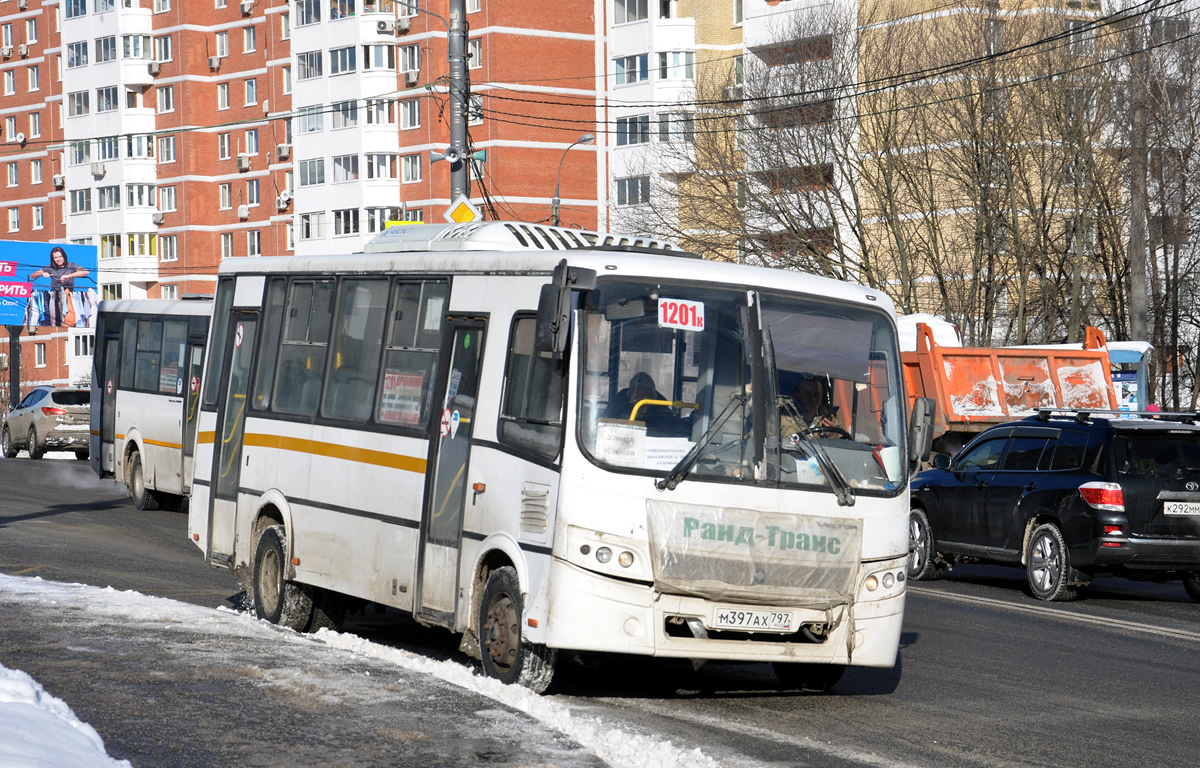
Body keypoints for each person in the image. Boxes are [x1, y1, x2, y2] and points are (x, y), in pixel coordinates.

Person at [783, 373, 844, 438]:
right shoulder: (783, 415)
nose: (812, 399)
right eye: (807, 394)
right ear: (798, 395)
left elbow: (845, 443)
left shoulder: (830, 420)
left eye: (816, 395)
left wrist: (831, 436)